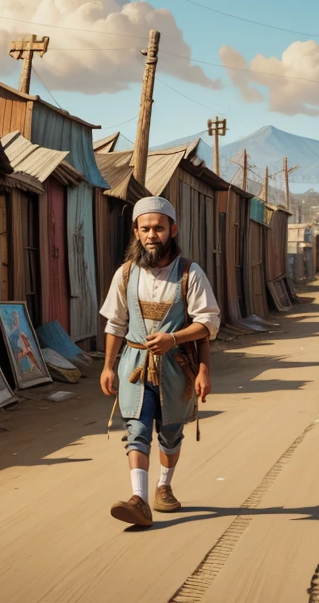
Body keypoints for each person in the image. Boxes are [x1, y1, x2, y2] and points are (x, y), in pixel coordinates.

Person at [99, 196, 220, 527]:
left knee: (170, 434)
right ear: (136, 232)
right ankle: (138, 499)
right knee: (136, 430)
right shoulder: (125, 274)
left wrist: (179, 345)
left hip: (177, 368)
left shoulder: (190, 273)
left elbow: (208, 324)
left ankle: (163, 487)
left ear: (173, 230)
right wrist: (109, 366)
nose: (152, 234)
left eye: (159, 228)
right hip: (135, 367)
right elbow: (115, 323)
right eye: (146, 228)